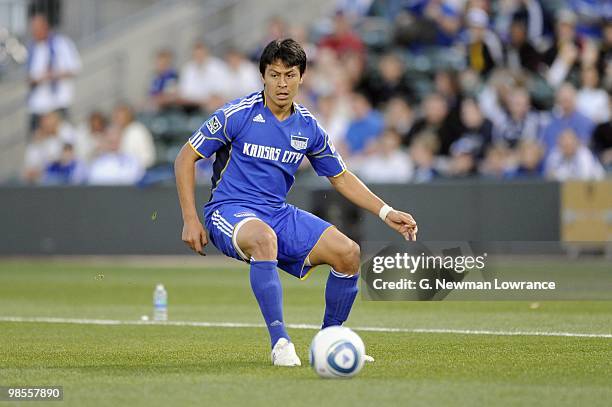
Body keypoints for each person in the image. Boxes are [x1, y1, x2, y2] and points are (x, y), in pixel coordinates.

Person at [174, 39, 417, 366]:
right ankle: (281, 344)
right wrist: (190, 218)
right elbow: (185, 157)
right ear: (263, 76)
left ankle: (329, 341)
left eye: (289, 75)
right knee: (263, 239)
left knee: (348, 254)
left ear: (302, 76)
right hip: (229, 210)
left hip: (276, 212)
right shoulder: (238, 114)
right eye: (274, 75)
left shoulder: (309, 127)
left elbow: (341, 176)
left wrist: (385, 211)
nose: (282, 83)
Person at [26, 13, 81, 132]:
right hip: (37, 104)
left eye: (37, 29)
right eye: (33, 29)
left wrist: (51, 75)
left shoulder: (61, 43)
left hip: (57, 102)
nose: (34, 32)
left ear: (45, 27)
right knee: (37, 143)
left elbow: (74, 68)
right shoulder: (33, 47)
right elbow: (30, 74)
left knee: (62, 139)